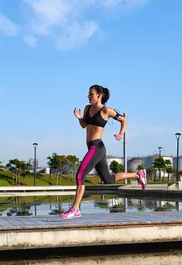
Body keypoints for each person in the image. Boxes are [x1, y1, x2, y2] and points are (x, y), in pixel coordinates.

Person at [60, 85, 147, 220]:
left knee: (79, 175)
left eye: (91, 94)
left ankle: (75, 209)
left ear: (99, 95)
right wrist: (79, 117)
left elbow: (123, 120)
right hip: (92, 148)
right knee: (108, 180)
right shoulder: (87, 108)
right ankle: (137, 174)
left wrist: (120, 134)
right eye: (88, 94)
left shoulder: (106, 110)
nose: (88, 97)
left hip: (97, 147)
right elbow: (84, 125)